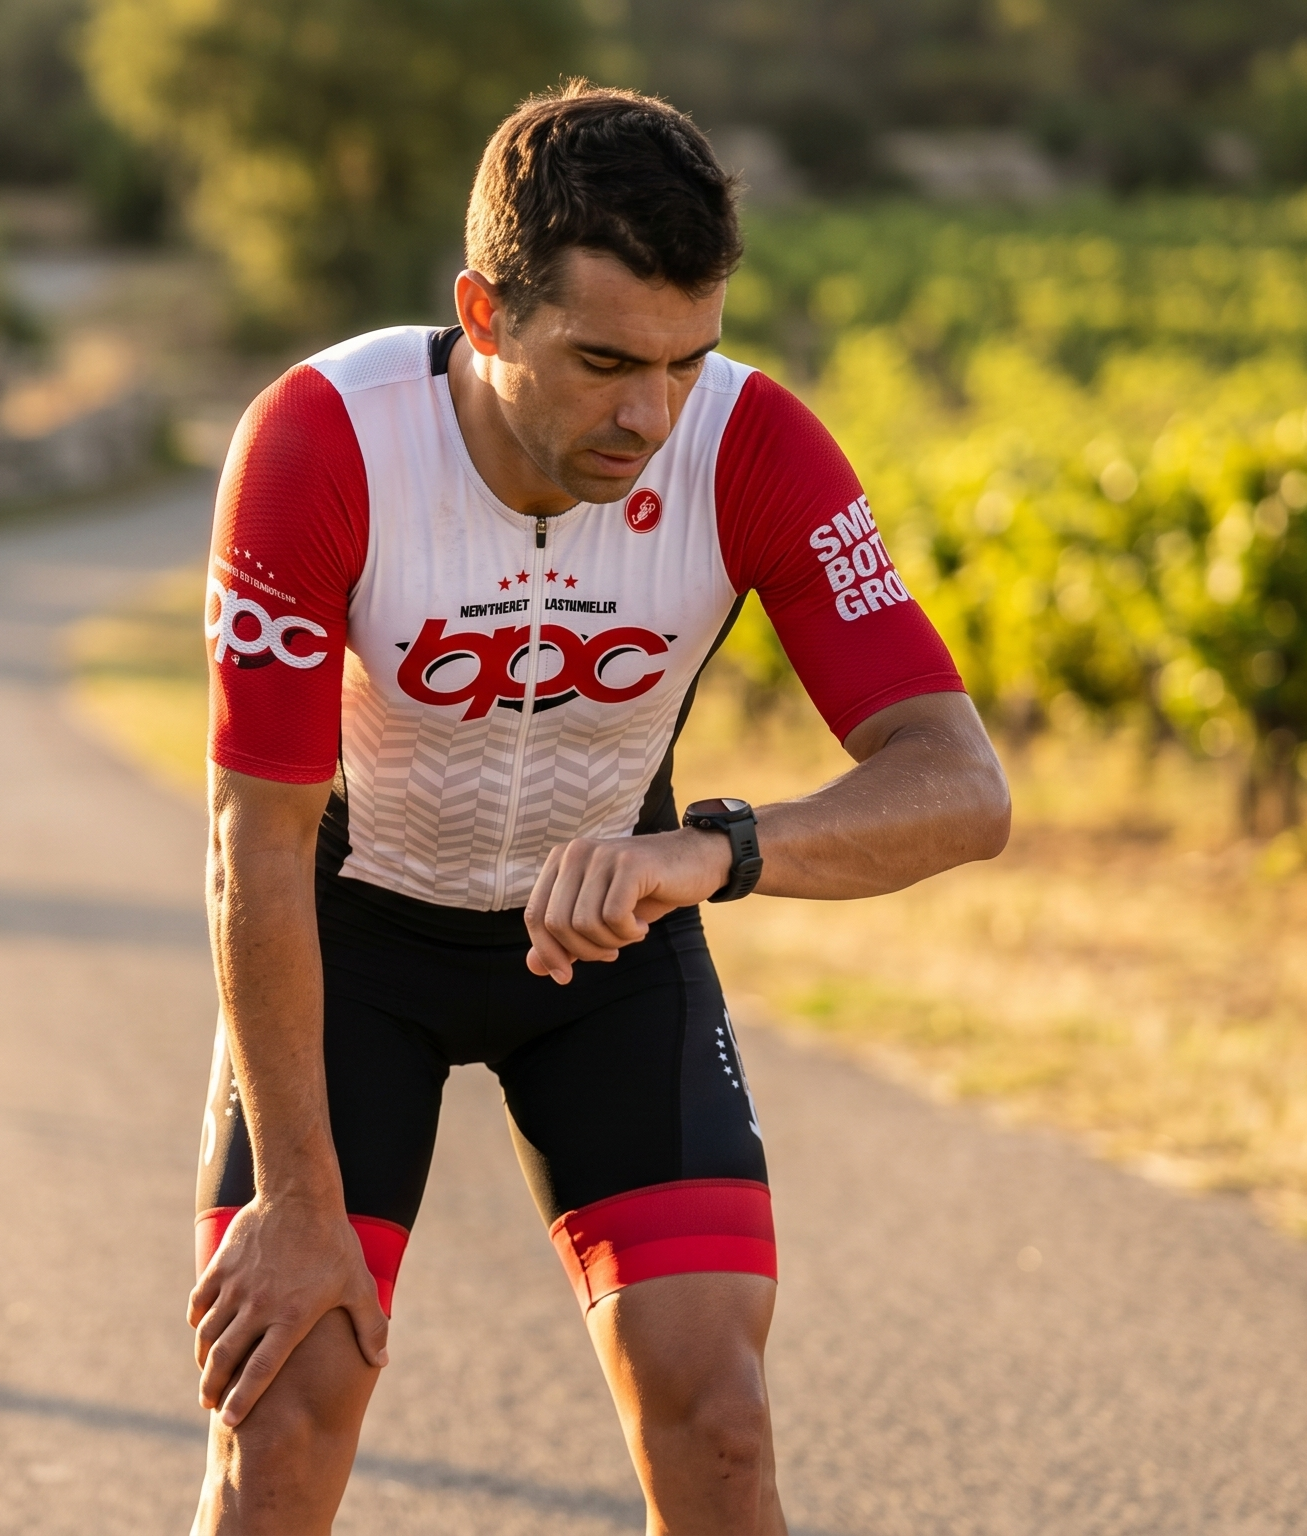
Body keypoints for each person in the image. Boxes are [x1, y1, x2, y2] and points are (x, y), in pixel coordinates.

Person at [189, 82, 1012, 1533]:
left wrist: (714, 851)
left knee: (723, 1430)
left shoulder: (751, 445)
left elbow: (960, 787)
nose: (650, 415)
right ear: (486, 313)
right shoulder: (325, 439)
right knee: (287, 1420)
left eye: (687, 361)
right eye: (605, 361)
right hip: (350, 952)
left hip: (604, 962)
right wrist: (301, 1207)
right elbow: (251, 844)